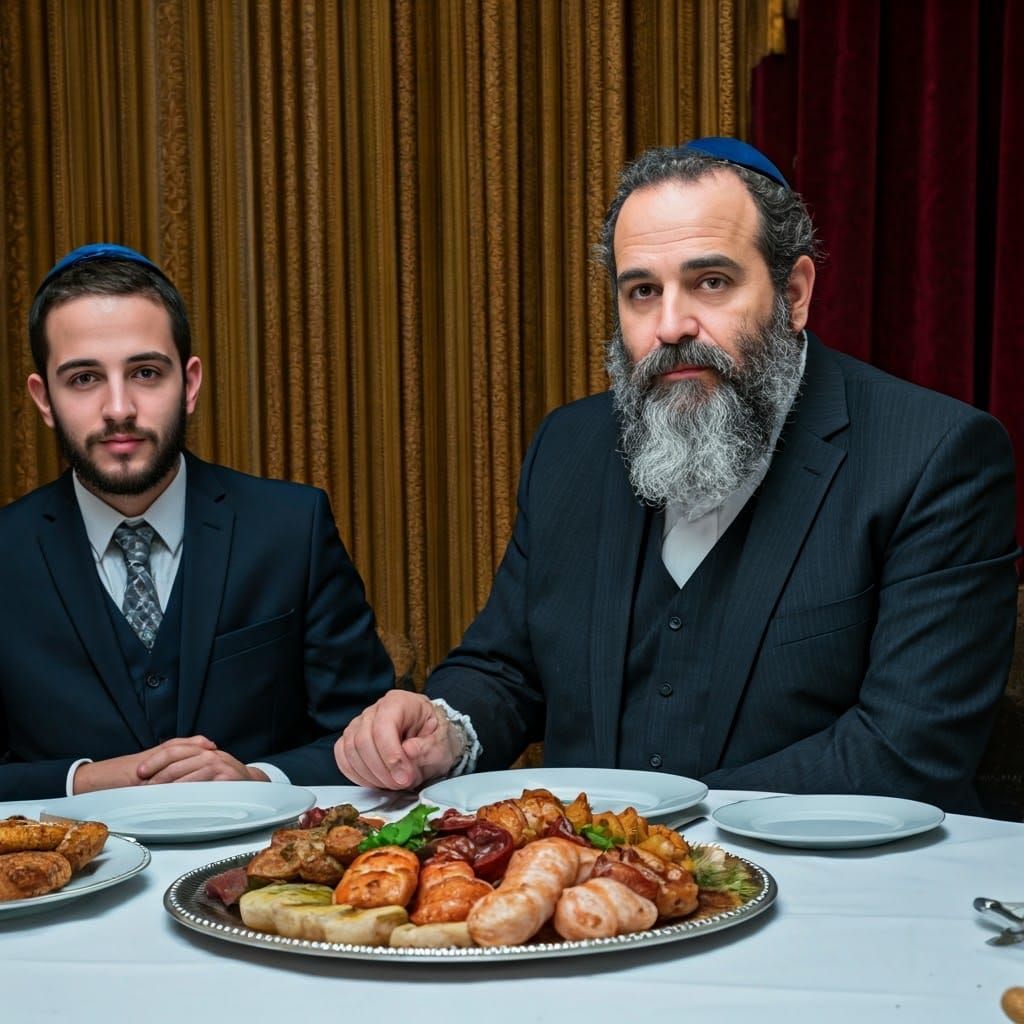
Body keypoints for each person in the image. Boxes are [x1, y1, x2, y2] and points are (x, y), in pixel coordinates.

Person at [335, 138, 1020, 815]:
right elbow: (508, 668)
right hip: (594, 909)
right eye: (641, 292)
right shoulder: (570, 446)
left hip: (832, 896)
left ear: (795, 293)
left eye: (710, 282)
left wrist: (658, 831)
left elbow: (906, 749)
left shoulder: (934, 455)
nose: (670, 325)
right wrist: (446, 731)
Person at [0, 243, 394, 799]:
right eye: (85, 378)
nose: (118, 408)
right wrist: (84, 780)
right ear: (44, 399)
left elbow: (371, 740)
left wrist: (257, 780)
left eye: (144, 372)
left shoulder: (290, 528)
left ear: (188, 384)